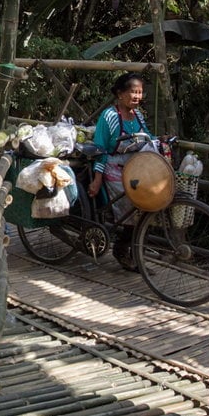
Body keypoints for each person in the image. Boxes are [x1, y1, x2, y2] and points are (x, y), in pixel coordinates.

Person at [86, 72, 155, 269]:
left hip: (135, 167)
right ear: (120, 94)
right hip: (113, 168)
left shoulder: (138, 116)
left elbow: (147, 139)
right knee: (131, 211)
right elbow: (100, 148)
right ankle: (122, 250)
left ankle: (137, 255)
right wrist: (97, 179)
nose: (137, 97)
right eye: (133, 92)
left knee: (147, 205)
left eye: (140, 92)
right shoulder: (109, 116)